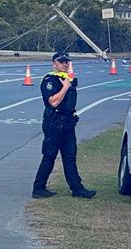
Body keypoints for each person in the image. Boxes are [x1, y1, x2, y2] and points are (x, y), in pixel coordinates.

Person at [32, 52, 97, 199]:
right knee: (49, 156)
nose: (65, 64)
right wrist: (66, 87)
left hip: (67, 123)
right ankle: (39, 187)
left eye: (67, 61)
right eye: (61, 62)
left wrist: (68, 83)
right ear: (54, 64)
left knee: (70, 157)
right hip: (54, 123)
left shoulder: (68, 79)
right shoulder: (50, 81)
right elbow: (53, 102)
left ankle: (77, 188)